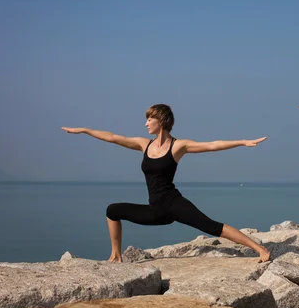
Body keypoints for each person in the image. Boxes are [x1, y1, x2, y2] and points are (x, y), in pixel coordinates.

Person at [62, 103, 270, 263]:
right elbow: (113, 137)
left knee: (213, 227)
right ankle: (116, 256)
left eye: (149, 119)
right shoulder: (144, 144)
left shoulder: (178, 146)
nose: (145, 124)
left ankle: (261, 249)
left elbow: (213, 145)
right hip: (156, 210)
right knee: (112, 210)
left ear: (161, 120)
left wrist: (242, 142)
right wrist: (85, 130)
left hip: (174, 204)